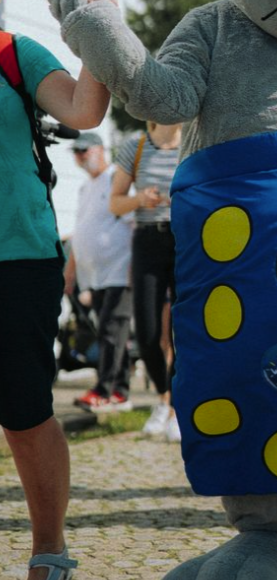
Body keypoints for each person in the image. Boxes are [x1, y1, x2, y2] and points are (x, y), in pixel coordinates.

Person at [0, 0, 109, 580]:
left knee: (22, 411)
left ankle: (49, 549)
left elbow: (83, 111)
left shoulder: (15, 53)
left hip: (18, 257)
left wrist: (95, 28)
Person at [109, 121, 182, 442]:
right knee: (149, 332)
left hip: (187, 242)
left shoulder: (193, 144)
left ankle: (180, 407)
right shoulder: (136, 147)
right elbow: (114, 203)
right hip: (148, 242)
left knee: (188, 330)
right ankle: (164, 399)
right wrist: (140, 199)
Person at [66, 132, 133, 413]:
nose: (81, 156)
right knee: (110, 332)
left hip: (119, 269)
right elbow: (80, 233)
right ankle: (119, 389)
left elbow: (133, 223)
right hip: (95, 276)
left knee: (111, 329)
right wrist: (70, 272)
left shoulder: (117, 177)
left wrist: (134, 267)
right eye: (77, 152)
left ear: (100, 150)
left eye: (85, 150)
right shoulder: (85, 188)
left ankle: (105, 390)